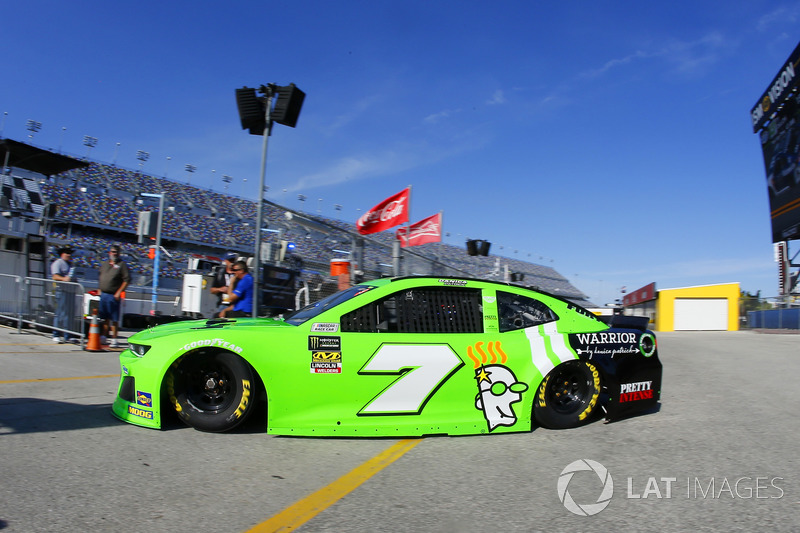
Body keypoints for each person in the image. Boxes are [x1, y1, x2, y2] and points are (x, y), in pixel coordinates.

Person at [97, 244, 131, 348]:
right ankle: (104, 336)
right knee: (104, 317)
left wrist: (119, 292)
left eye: (116, 252)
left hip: (113, 295)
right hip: (103, 294)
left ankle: (114, 338)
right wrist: (99, 288)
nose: (114, 254)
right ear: (109, 253)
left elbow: (127, 280)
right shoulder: (105, 264)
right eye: (112, 252)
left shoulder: (122, 265)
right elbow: (100, 276)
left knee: (114, 318)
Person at [50, 246, 76, 343]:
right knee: (60, 313)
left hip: (70, 291)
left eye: (70, 252)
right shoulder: (58, 263)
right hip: (61, 291)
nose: (69, 255)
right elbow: (55, 276)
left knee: (69, 315)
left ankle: (68, 335)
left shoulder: (71, 265)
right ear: (62, 254)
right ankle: (56, 334)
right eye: (67, 252)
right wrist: (64, 279)